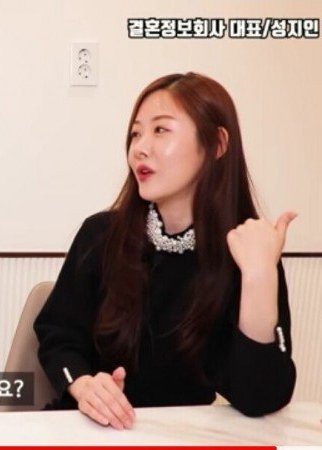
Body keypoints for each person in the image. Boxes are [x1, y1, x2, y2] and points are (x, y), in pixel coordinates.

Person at [34, 72, 296, 429]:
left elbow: (258, 397)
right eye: (136, 134)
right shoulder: (101, 234)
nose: (140, 148)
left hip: (181, 435)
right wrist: (83, 385)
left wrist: (258, 277)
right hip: (88, 429)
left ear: (217, 144)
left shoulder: (247, 253)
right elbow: (58, 334)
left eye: (161, 130)